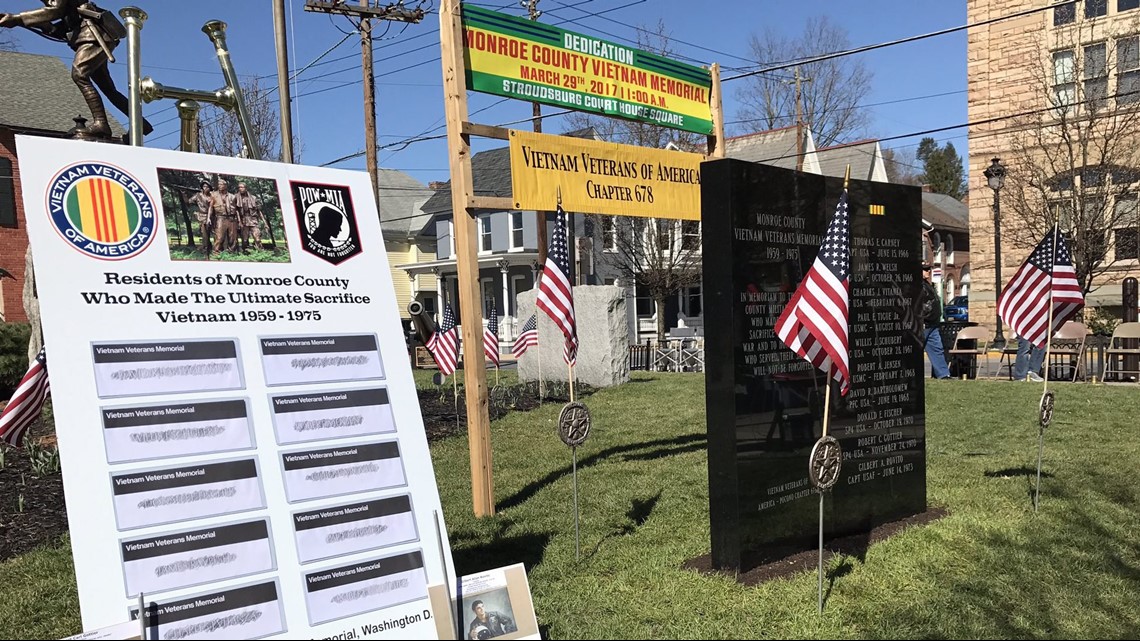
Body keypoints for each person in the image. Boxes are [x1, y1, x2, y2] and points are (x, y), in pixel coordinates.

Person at [0, 1, 153, 139]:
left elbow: (55, 10)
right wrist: (20, 22)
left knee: (80, 74)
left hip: (92, 34)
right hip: (88, 35)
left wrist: (17, 18)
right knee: (108, 89)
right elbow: (55, 26)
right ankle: (140, 124)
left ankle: (101, 123)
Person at [920, 265, 951, 379]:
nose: (928, 271)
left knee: (937, 349)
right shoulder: (916, 285)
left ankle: (943, 374)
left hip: (933, 324)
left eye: (929, 269)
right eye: (925, 269)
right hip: (923, 323)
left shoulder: (927, 284)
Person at [208, 178, 239, 254]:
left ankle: (231, 253)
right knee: (219, 237)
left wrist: (239, 221)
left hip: (231, 218)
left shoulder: (232, 196)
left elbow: (237, 209)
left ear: (225, 186)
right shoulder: (214, 195)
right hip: (220, 218)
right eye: (219, 184)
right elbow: (211, 207)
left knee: (233, 238)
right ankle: (216, 253)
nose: (220, 186)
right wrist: (208, 218)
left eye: (221, 184)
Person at [232, 182, 263, 253]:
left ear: (246, 188)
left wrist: (264, 222)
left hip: (253, 220)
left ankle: (261, 253)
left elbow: (259, 211)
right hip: (243, 221)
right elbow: (236, 210)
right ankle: (245, 253)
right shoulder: (236, 197)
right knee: (245, 240)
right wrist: (239, 221)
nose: (240, 189)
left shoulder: (253, 198)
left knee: (257, 238)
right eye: (239, 187)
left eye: (242, 187)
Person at [188, 181, 212, 255]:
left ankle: (210, 248)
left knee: (211, 234)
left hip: (211, 217)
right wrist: (184, 195)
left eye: (207, 187)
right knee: (204, 234)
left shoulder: (211, 196)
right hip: (202, 217)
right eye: (204, 186)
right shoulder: (198, 195)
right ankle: (205, 251)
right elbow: (189, 201)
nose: (205, 188)